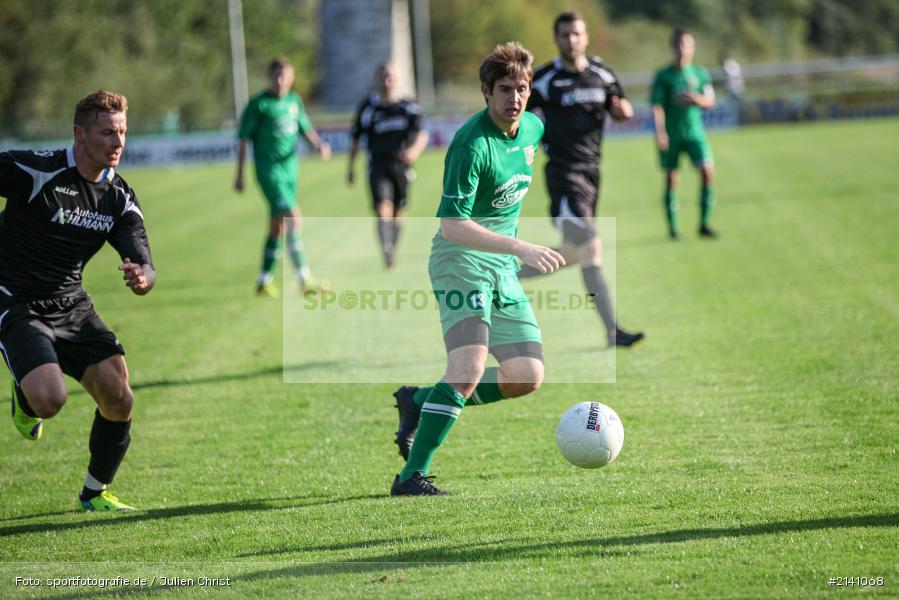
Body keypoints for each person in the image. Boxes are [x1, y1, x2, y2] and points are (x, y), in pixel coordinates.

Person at [390, 42, 565, 496]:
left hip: (501, 268)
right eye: (504, 89)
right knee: (467, 369)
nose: (515, 98)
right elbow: (452, 226)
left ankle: (420, 400)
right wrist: (521, 247)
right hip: (460, 262)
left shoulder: (530, 129)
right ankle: (411, 477)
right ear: (485, 92)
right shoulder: (470, 145)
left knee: (526, 376)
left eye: (522, 89)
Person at [0, 90, 154, 512]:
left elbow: (142, 256)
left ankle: (94, 492)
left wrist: (143, 276)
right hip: (16, 299)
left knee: (120, 396)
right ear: (79, 134)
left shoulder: (118, 197)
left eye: (122, 131)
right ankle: (26, 396)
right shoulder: (36, 169)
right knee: (50, 400)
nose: (118, 142)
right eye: (107, 132)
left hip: (71, 302)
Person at [524, 11, 644, 348]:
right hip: (564, 175)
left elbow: (620, 106)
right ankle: (613, 330)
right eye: (564, 35)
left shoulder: (602, 74)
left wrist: (624, 111)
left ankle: (500, 275)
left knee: (573, 253)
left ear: (585, 37)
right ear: (556, 39)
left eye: (576, 34)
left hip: (593, 174)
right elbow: (519, 117)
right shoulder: (544, 79)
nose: (571, 40)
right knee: (590, 248)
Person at [235, 57, 332, 297]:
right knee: (293, 218)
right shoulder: (259, 104)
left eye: (286, 76)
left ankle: (263, 280)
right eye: (277, 76)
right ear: (269, 77)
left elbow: (304, 127)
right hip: (269, 174)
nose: (281, 81)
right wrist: (239, 174)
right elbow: (243, 139)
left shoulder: (294, 101)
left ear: (292, 78)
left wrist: (318, 145)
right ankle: (304, 279)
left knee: (277, 226)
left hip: (290, 173)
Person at [347, 61, 429, 269]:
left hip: (401, 166)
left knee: (398, 213)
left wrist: (413, 152)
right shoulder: (367, 108)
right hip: (377, 165)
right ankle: (386, 248)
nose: (387, 80)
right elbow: (355, 139)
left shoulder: (408, 107)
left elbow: (422, 134)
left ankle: (392, 246)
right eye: (383, 76)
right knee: (382, 208)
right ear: (376, 79)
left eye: (391, 76)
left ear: (398, 79)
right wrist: (350, 168)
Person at [651, 29, 718, 239]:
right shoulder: (664, 76)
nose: (683, 49)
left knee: (707, 172)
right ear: (673, 47)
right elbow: (657, 106)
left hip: (695, 134)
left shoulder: (700, 74)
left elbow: (710, 101)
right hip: (672, 135)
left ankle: (704, 224)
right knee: (671, 178)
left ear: (693, 48)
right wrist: (660, 132)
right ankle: (673, 230)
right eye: (679, 45)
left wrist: (697, 100)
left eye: (687, 45)